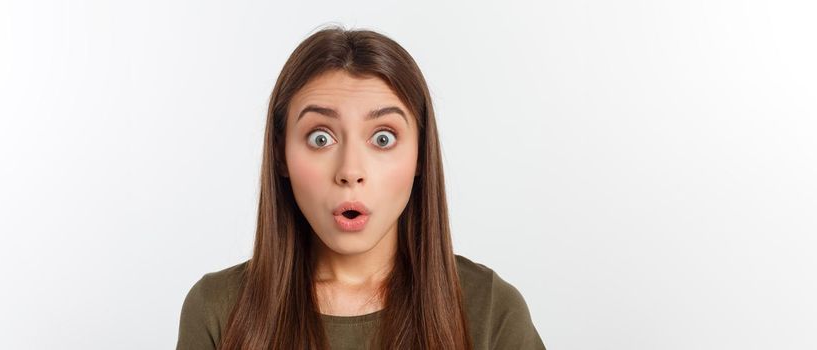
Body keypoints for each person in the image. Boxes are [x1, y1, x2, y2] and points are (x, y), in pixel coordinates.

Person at [177, 26, 545, 350]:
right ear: (280, 155)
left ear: (420, 156)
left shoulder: (491, 309)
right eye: (320, 138)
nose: (350, 171)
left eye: (383, 138)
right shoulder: (219, 310)